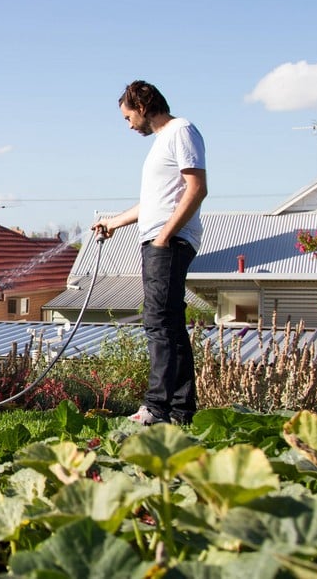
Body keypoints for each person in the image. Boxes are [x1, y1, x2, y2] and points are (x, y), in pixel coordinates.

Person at [92, 80, 207, 425]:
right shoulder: (162, 143)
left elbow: (197, 188)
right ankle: (180, 412)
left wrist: (163, 237)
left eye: (128, 118)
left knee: (157, 323)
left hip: (168, 241)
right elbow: (153, 203)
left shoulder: (181, 130)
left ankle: (157, 408)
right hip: (160, 239)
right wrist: (114, 222)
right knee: (170, 324)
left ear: (141, 106)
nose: (128, 126)